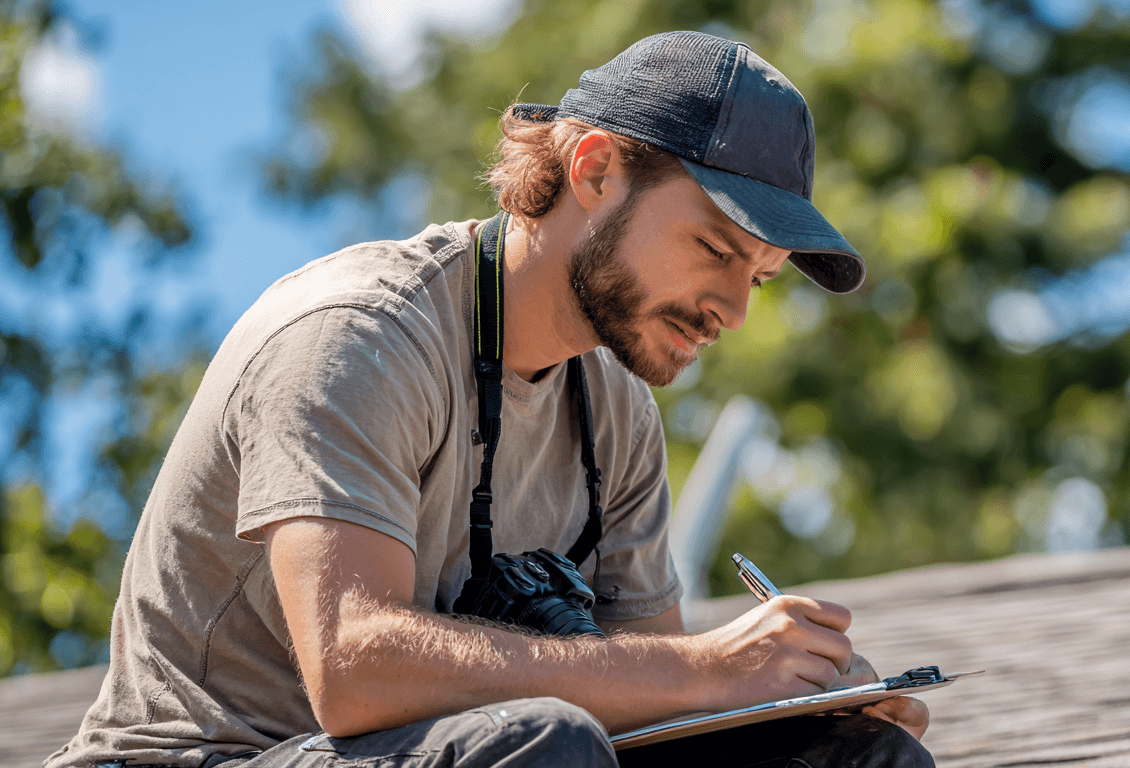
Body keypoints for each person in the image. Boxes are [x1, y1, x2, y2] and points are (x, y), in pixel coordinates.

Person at [47, 30, 933, 768]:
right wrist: (712, 665)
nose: (734, 311)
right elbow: (355, 669)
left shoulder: (617, 413)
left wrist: (801, 703)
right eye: (713, 249)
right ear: (594, 171)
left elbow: (659, 702)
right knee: (543, 746)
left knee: (855, 757)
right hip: (207, 757)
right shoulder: (358, 335)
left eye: (762, 279)